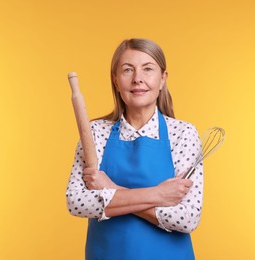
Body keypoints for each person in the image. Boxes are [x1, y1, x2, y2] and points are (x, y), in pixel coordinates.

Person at [66, 38, 203, 260]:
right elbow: (77, 202)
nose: (138, 79)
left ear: (162, 79)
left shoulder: (183, 134)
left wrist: (110, 188)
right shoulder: (95, 133)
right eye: (127, 70)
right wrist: (157, 194)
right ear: (116, 81)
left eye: (148, 69)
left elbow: (186, 218)